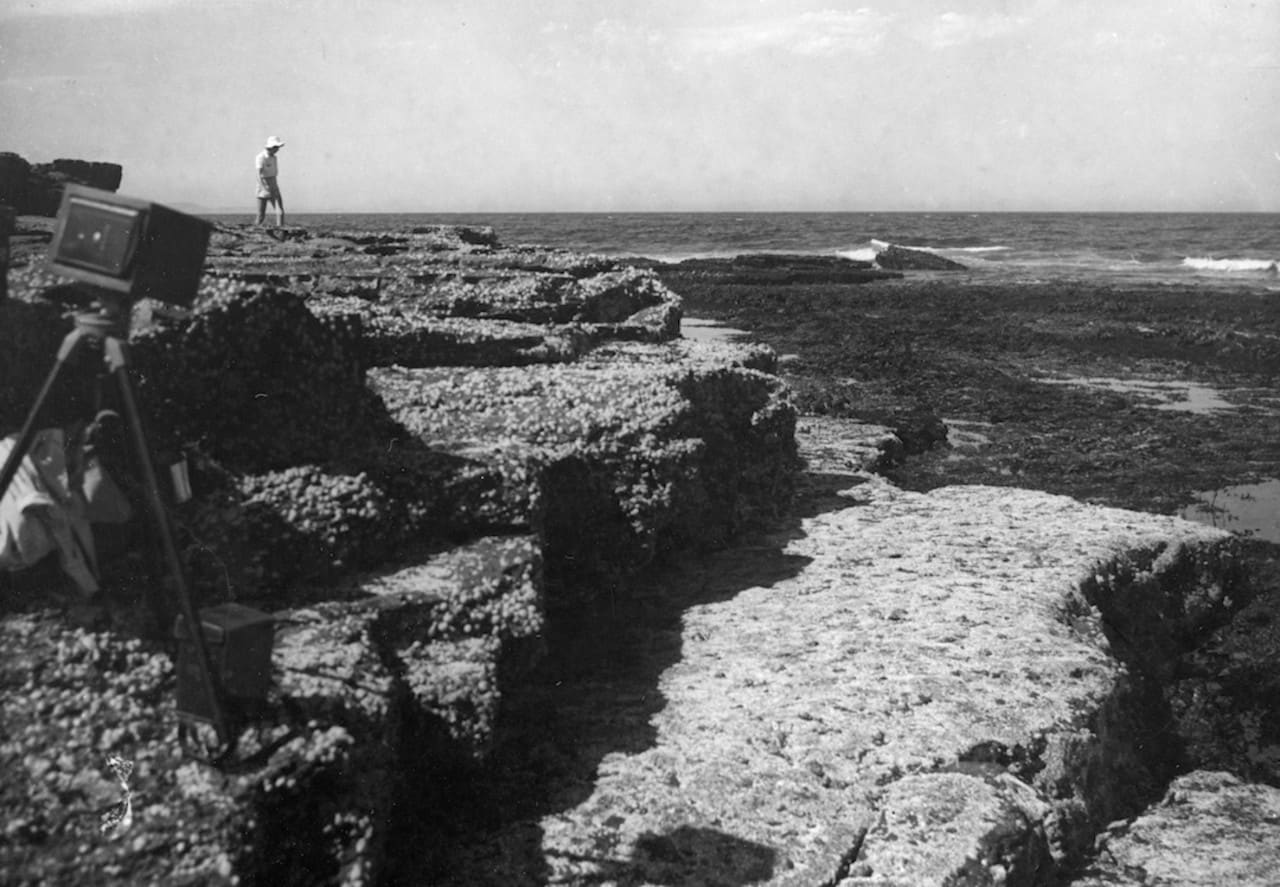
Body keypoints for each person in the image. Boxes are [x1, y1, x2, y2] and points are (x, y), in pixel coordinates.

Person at [254, 136, 285, 226]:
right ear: (271, 147)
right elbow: (258, 174)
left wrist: (273, 187)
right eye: (276, 147)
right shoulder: (260, 157)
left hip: (273, 183)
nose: (278, 149)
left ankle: (281, 231)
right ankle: (255, 231)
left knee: (280, 211)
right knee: (261, 215)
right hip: (262, 184)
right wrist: (264, 188)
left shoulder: (274, 158)